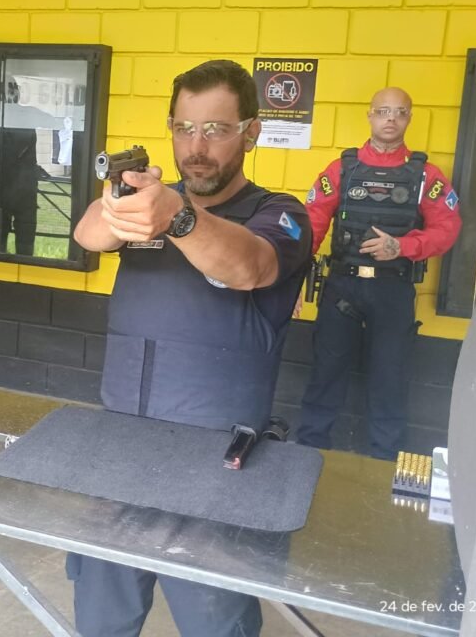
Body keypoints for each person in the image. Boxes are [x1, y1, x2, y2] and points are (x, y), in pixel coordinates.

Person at [70, 59, 312, 637]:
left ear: (251, 133)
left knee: (215, 624)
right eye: (184, 128)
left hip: (216, 473)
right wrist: (123, 204)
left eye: (216, 129)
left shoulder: (281, 213)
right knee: (100, 621)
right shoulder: (154, 202)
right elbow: (88, 233)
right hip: (121, 454)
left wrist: (178, 218)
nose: (196, 147)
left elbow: (250, 266)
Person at [296, 87, 462, 460]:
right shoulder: (342, 169)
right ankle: (306, 452)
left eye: (400, 112)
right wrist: (291, 278)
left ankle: (384, 462)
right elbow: (312, 225)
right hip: (342, 286)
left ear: (409, 118)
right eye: (384, 111)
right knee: (326, 371)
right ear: (370, 115)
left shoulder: (426, 176)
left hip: (393, 290)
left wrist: (402, 247)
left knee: (390, 378)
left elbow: (447, 228)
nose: (391, 119)